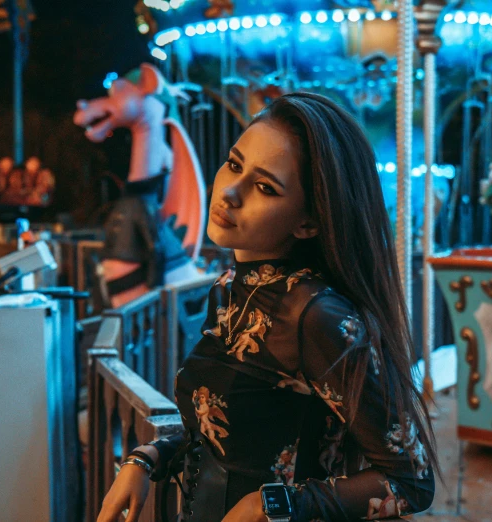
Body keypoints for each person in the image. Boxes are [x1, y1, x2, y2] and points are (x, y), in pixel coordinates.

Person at [97, 93, 438, 522]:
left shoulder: (315, 315)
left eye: (264, 187)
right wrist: (145, 459)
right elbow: (216, 421)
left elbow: (412, 481)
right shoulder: (227, 288)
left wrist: (274, 503)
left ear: (308, 222)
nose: (230, 192)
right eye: (234, 164)